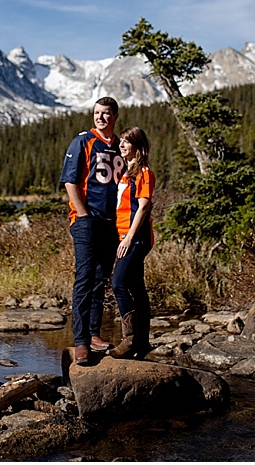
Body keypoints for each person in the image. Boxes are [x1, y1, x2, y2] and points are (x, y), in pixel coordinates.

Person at [60, 96, 123, 365]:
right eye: (97, 113)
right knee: (85, 278)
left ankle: (95, 333)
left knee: (101, 279)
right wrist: (83, 215)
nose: (100, 117)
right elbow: (69, 181)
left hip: (112, 223)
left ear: (115, 116)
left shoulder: (121, 145)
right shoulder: (83, 141)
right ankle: (81, 341)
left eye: (106, 113)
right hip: (87, 221)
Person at [109, 127, 154, 359]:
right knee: (137, 289)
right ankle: (143, 343)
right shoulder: (127, 173)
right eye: (121, 142)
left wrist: (128, 237)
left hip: (136, 238)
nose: (122, 145)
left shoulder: (143, 172)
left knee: (118, 283)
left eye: (127, 142)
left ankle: (130, 340)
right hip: (126, 236)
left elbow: (144, 206)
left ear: (137, 145)